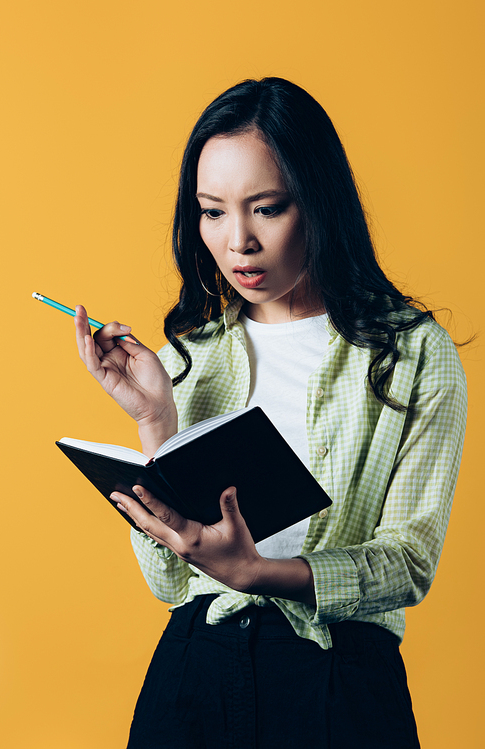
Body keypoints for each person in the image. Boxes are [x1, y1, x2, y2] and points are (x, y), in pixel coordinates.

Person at [74, 78, 467, 748]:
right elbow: (170, 581)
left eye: (267, 208)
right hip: (194, 673)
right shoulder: (190, 355)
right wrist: (155, 425)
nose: (239, 243)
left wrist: (260, 572)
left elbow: (410, 562)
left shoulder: (411, 352)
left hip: (338, 680)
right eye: (212, 212)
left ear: (318, 201)